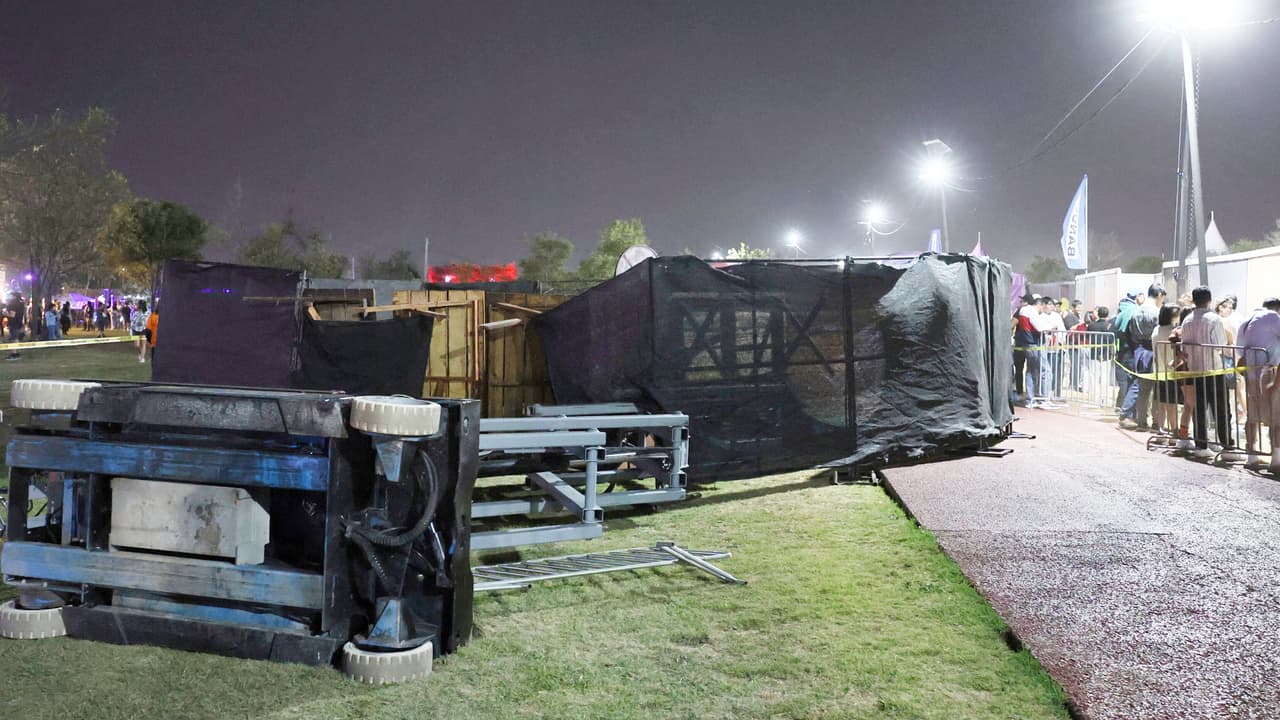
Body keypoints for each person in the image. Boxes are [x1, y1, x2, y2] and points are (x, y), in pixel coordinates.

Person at [1181, 286, 1231, 456]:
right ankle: (1227, 446)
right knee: (1221, 409)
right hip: (1213, 370)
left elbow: (1184, 346)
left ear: (1194, 300)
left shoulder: (1187, 320)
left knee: (1199, 409)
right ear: (1209, 300)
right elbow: (1219, 344)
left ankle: (1201, 445)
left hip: (1194, 370)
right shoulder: (1214, 319)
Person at [1236, 297, 1280, 471]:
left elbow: (1239, 350)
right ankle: (1276, 459)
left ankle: (1252, 456)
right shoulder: (1272, 317)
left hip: (1251, 374)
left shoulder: (1246, 321)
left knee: (1252, 416)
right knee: (1276, 417)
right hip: (1270, 373)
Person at [1123, 285, 1162, 430]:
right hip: (1155, 350)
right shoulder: (1157, 312)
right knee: (1157, 389)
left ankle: (1141, 420)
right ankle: (1156, 421)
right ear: (1159, 295)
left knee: (1143, 389)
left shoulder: (1136, 311)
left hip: (1140, 351)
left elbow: (1131, 332)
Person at [1152, 303, 1183, 437]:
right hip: (1172, 371)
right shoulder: (1173, 331)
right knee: (1172, 403)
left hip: (1158, 370)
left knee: (1162, 402)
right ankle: (1174, 429)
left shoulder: (1156, 330)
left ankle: (1160, 428)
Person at [1013, 292, 1042, 407]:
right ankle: (1027, 395)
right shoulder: (1027, 312)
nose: (1020, 303)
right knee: (1029, 370)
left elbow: (1012, 324)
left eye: (1022, 301)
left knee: (1021, 370)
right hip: (1028, 343)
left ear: (1027, 302)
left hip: (1021, 343)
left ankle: (1022, 394)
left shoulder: (1021, 312)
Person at [5, 292, 26, 359]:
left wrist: (5, 313)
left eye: (11, 296)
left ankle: (14, 354)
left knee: (13, 338)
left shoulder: (13, 304)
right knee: (16, 338)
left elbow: (12, 315)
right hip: (19, 323)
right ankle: (17, 353)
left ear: (14, 297)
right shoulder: (21, 304)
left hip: (13, 323)